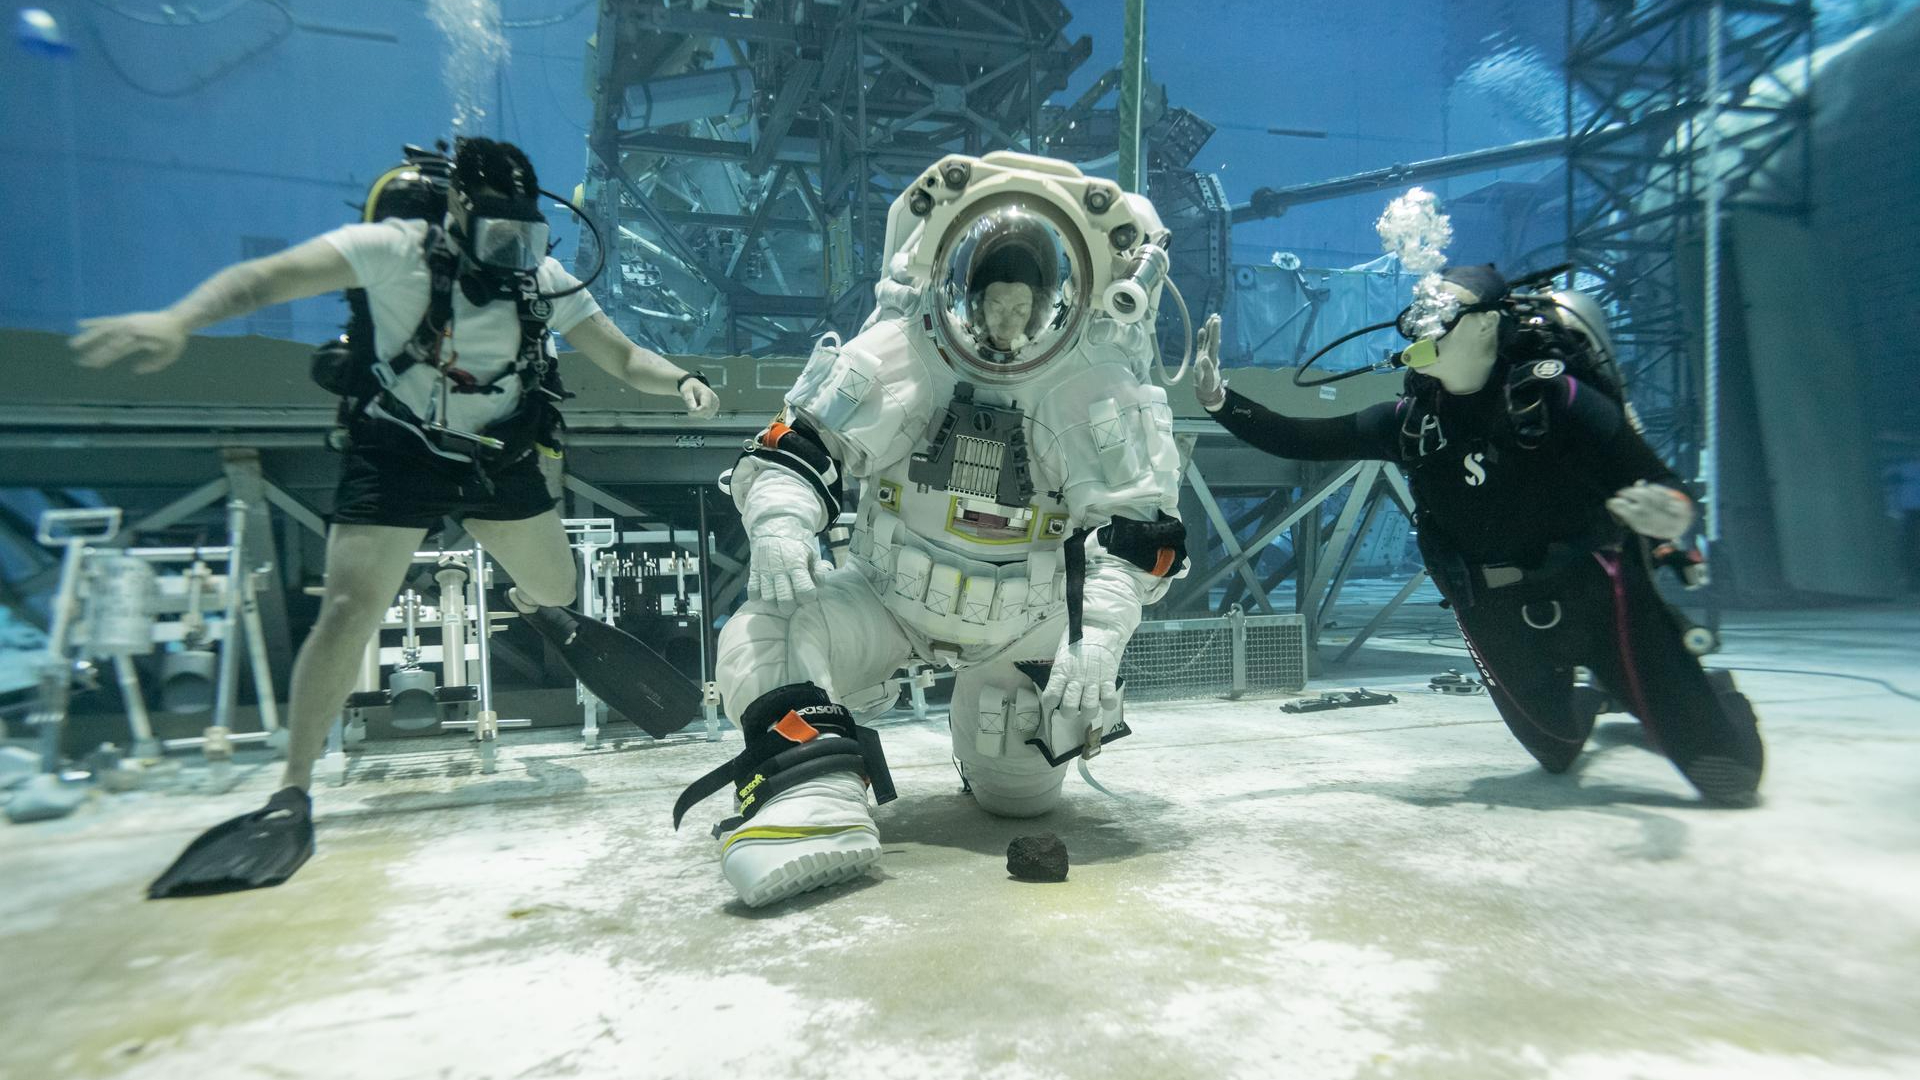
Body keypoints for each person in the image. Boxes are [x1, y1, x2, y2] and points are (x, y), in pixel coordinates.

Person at [71, 137, 721, 895]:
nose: (510, 253)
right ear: (457, 211)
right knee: (348, 612)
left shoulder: (541, 279)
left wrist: (683, 382)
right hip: (398, 451)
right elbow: (261, 281)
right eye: (495, 235)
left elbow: (620, 356)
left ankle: (535, 606)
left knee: (558, 587)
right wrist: (178, 319)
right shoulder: (390, 250)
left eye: (524, 237)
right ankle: (290, 795)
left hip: (496, 457)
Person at [671, 151, 1189, 907]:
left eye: (1024, 307)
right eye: (996, 302)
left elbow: (1141, 536)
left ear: (1055, 305)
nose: (1008, 323)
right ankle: (810, 799)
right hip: (886, 602)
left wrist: (1099, 637)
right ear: (967, 296)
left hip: (1022, 631)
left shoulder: (1092, 388)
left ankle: (988, 754)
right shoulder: (904, 351)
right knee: (766, 628)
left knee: (1023, 799)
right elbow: (799, 446)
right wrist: (782, 523)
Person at [1191, 264, 1765, 806]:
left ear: (1488, 323)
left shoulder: (1553, 398)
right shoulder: (1410, 422)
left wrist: (1669, 514)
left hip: (1600, 596)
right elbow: (1303, 438)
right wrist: (1220, 400)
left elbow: (1658, 479)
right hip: (1493, 609)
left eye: (1443, 311)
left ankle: (1710, 695)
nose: (1423, 322)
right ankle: (1607, 693)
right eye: (1419, 311)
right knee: (1556, 751)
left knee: (1731, 777)